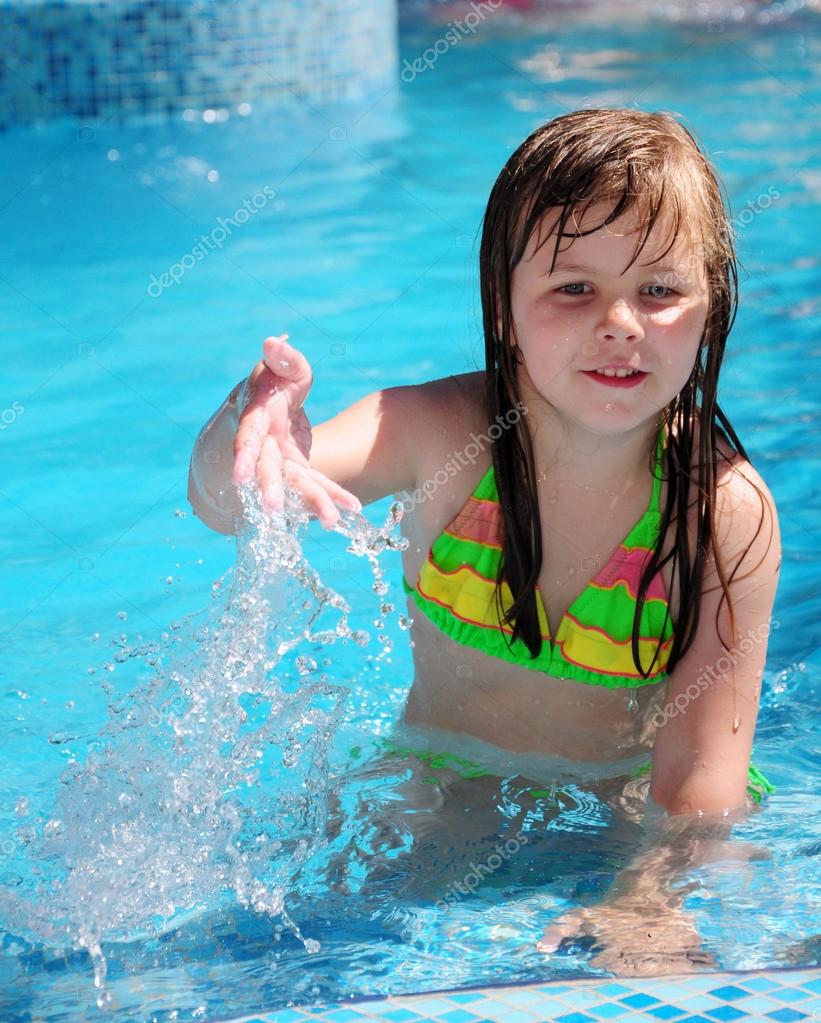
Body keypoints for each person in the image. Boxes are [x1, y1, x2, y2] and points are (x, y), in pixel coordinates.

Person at [188, 107, 781, 971]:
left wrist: (645, 898)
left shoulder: (721, 514)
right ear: (503, 308)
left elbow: (700, 778)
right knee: (285, 950)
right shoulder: (433, 435)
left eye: (658, 290)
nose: (619, 322)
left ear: (710, 307)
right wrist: (252, 428)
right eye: (572, 288)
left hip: (619, 820)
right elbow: (229, 505)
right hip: (441, 786)